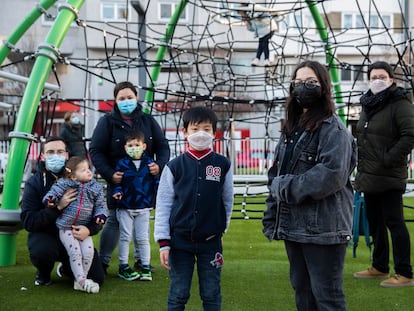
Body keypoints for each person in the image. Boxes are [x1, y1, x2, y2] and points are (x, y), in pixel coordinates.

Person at [262, 60, 356, 310]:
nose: (304, 87)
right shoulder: (292, 129)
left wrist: (284, 187)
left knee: (327, 297)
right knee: (303, 294)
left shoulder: (334, 130)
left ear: (324, 87)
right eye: (299, 82)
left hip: (324, 229)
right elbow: (277, 173)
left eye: (311, 82)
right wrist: (272, 213)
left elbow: (331, 176)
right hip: (295, 226)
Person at [154, 106, 234, 310]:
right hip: (180, 241)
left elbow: (227, 199)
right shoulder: (174, 166)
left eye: (206, 129)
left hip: (210, 243)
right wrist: (164, 242)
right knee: (179, 293)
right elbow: (163, 204)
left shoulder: (222, 164)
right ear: (184, 132)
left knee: (211, 293)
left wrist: (221, 229)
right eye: (195, 128)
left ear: (214, 133)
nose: (200, 134)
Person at [89, 81, 170, 274]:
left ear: (137, 98)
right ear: (115, 101)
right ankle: (104, 262)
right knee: (115, 221)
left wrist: (158, 166)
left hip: (143, 183)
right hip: (120, 183)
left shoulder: (148, 121)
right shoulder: (107, 122)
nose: (126, 101)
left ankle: (141, 261)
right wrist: (109, 174)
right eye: (122, 98)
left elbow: (163, 146)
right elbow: (96, 151)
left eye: (130, 97)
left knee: (142, 221)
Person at [353, 61, 414, 287]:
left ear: (391, 79)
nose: (377, 79)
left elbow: (409, 135)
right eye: (373, 76)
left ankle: (404, 273)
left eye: (382, 76)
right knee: (375, 222)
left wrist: (388, 159)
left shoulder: (400, 102)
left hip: (389, 175)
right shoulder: (368, 104)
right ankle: (379, 266)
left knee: (394, 222)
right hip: (369, 175)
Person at [20, 136, 105, 291]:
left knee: (97, 277)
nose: (56, 156)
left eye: (60, 152)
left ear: (67, 155)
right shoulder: (35, 183)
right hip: (47, 236)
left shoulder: (83, 179)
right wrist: (57, 207)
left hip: (75, 234)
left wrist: (90, 229)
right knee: (42, 251)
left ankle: (67, 269)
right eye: (51, 152)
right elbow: (28, 221)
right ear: (43, 157)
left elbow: (97, 209)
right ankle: (43, 273)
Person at [42, 156, 107, 293]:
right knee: (75, 252)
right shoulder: (66, 183)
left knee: (88, 252)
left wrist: (100, 215)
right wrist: (50, 200)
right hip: (66, 227)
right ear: (73, 176)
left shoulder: (96, 188)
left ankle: (80, 279)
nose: (89, 172)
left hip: (83, 228)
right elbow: (54, 192)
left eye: (88, 168)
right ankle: (82, 281)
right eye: (83, 170)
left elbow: (101, 205)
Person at [112, 129, 158, 281]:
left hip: (144, 206)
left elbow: (156, 182)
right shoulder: (122, 163)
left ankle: (145, 266)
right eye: (130, 145)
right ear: (125, 147)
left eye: (136, 144)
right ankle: (123, 266)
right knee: (125, 237)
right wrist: (117, 192)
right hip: (125, 206)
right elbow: (117, 182)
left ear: (143, 146)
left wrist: (158, 198)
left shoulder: (150, 163)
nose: (133, 148)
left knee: (143, 238)